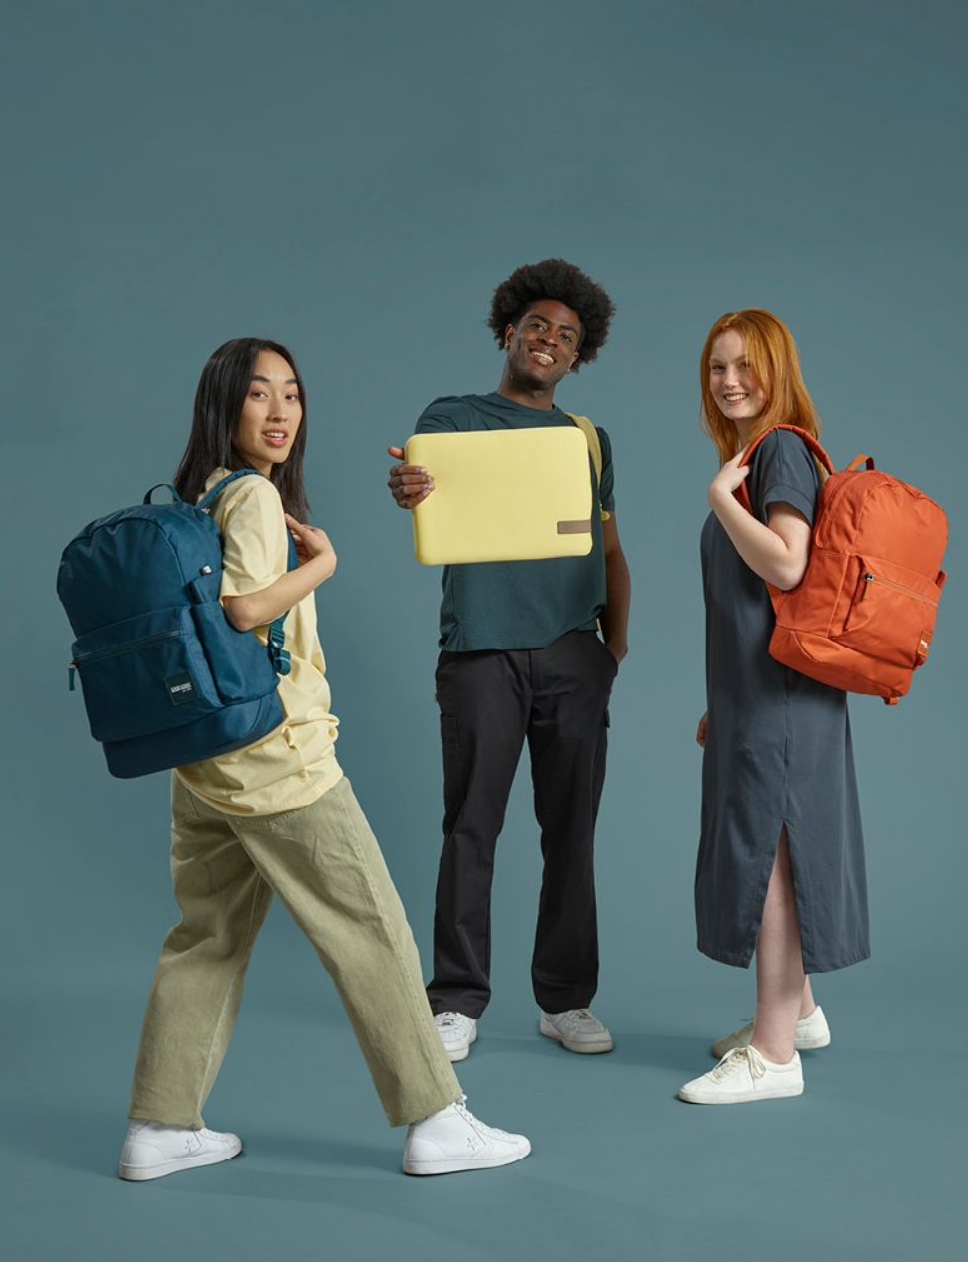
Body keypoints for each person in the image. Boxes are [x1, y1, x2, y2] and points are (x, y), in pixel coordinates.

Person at [118, 338, 529, 1180]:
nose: (280, 413)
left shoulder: (200, 494)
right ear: (224, 407)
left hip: (205, 764)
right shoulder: (255, 499)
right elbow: (240, 612)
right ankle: (435, 1119)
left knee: (206, 938)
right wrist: (325, 567)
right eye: (259, 396)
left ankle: (159, 1127)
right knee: (373, 931)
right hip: (280, 762)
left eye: (293, 396)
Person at [386, 259, 630, 1061]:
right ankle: (455, 1000)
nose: (549, 341)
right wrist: (410, 487)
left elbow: (608, 547)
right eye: (537, 327)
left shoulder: (586, 439)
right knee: (471, 829)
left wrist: (611, 648)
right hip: (480, 653)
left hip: (571, 654)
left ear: (577, 354)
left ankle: (564, 1001)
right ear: (507, 332)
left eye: (567, 335)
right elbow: (424, 490)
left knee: (572, 834)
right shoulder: (452, 418)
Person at [679, 310, 867, 1106]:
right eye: (717, 367)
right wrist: (720, 704)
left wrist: (722, 499)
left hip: (781, 701)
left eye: (744, 366)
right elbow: (749, 606)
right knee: (769, 849)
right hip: (758, 698)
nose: (728, 381)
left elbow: (786, 567)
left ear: (776, 370)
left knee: (771, 862)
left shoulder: (779, 449)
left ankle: (772, 1054)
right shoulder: (757, 455)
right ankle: (801, 1013)